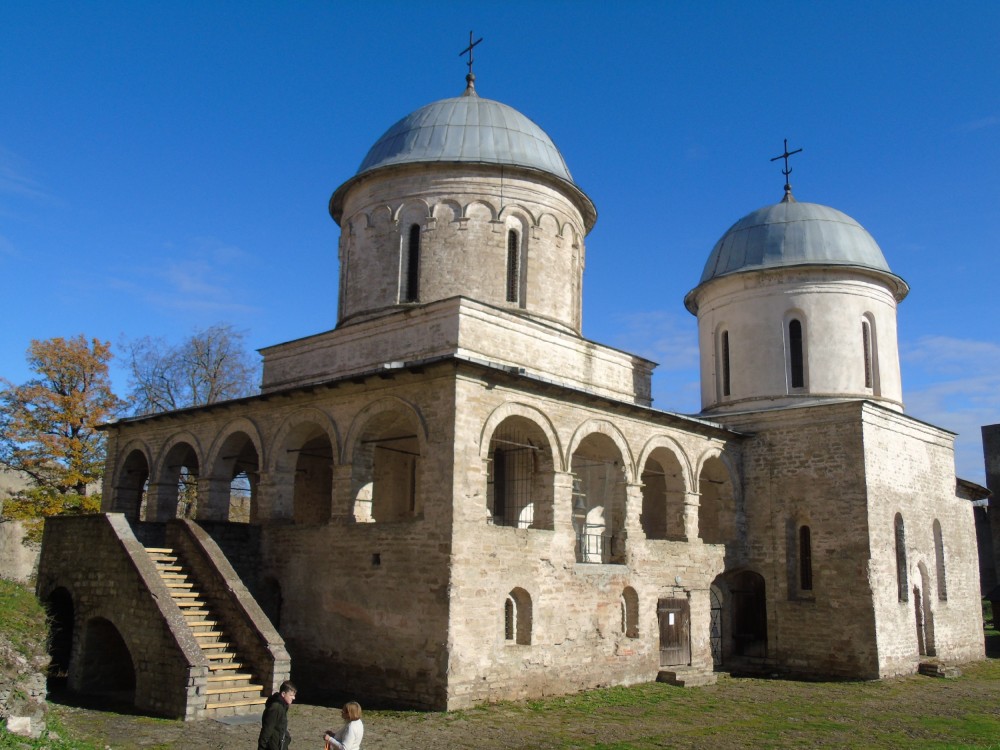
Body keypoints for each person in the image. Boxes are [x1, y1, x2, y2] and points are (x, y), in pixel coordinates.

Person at [258, 680, 297, 750]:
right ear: (283, 694)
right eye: (291, 695)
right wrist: (261, 747)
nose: (293, 698)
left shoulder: (283, 706)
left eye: (294, 695)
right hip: (274, 745)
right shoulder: (276, 708)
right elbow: (267, 729)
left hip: (279, 743)